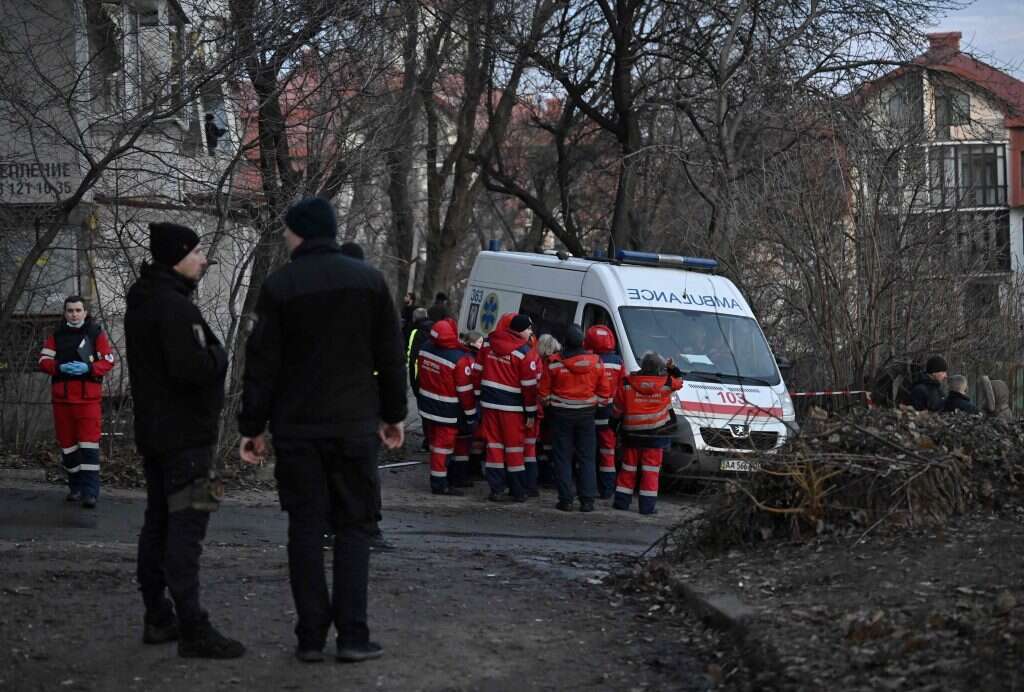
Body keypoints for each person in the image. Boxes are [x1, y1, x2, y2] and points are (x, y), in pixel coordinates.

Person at [238, 197, 406, 664]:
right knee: (355, 527)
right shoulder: (369, 282)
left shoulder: (279, 287)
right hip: (354, 427)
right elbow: (389, 356)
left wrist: (252, 426)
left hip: (297, 430)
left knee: (305, 529)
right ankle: (353, 635)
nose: (287, 237)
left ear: (300, 233)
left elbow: (262, 364)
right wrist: (393, 415)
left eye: (289, 231)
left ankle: (310, 636)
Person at [125, 222, 244, 659]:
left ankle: (158, 615)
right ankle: (193, 627)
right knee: (187, 529)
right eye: (196, 252)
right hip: (189, 441)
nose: (204, 258)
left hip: (157, 437)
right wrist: (220, 356)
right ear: (177, 255)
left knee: (157, 523)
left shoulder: (142, 301)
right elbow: (192, 368)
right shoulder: (175, 309)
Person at [37, 296, 115, 507]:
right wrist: (59, 367)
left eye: (78, 310)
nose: (74, 314)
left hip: (88, 399)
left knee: (89, 447)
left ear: (84, 312)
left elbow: (108, 360)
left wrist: (89, 369)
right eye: (70, 310)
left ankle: (90, 493)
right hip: (62, 399)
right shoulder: (57, 335)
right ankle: (76, 488)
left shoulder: (95, 333)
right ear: (65, 313)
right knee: (68, 448)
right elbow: (43, 361)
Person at [540, 325, 609, 512]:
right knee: (587, 458)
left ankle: (566, 500)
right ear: (583, 342)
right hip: (586, 415)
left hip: (560, 415)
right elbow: (604, 394)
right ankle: (587, 501)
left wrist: (550, 404)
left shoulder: (554, 362)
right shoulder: (596, 363)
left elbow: (543, 392)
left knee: (562, 457)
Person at [475, 313, 539, 502]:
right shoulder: (525, 353)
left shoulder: (488, 344)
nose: (530, 332)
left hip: (489, 404)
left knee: (494, 446)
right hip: (513, 408)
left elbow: (477, 372)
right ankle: (517, 490)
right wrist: (531, 412)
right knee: (514, 449)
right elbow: (529, 388)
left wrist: (479, 397)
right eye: (528, 329)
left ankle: (496, 489)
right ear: (520, 331)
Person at [611, 352, 683, 515]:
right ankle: (647, 507)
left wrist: (614, 424)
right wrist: (672, 368)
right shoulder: (667, 383)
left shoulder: (627, 383)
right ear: (660, 368)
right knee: (650, 472)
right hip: (655, 436)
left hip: (632, 435)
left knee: (628, 469)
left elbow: (617, 409)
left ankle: (621, 503)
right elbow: (680, 381)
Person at [416, 318, 477, 494]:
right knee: (443, 448)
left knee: (436, 445)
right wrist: (471, 415)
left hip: (427, 407)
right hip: (448, 412)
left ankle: (447, 479)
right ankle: (439, 484)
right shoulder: (459, 358)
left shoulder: (426, 348)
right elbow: (465, 392)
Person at [584, 325, 624, 499]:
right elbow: (622, 389)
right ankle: (607, 490)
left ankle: (587, 488)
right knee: (608, 453)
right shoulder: (618, 362)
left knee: (587, 453)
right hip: (609, 415)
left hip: (589, 413)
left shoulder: (589, 359)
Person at [534, 333, 562, 488]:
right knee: (553, 444)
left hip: (544, 407)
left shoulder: (542, 361)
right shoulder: (559, 360)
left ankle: (544, 474)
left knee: (543, 443)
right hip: (557, 408)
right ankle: (551, 474)